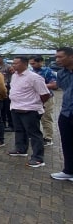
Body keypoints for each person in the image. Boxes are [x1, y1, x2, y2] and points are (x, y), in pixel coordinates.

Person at [8, 56, 50, 168]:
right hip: (15, 108)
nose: (13, 65)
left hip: (30, 110)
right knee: (19, 130)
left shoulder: (34, 77)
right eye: (13, 63)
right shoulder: (14, 76)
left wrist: (35, 104)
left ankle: (38, 158)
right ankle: (21, 149)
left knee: (34, 134)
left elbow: (45, 94)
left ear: (24, 64)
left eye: (16, 63)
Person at [50, 47, 73, 180]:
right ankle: (68, 170)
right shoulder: (62, 73)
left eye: (60, 57)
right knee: (67, 142)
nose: (57, 60)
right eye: (56, 57)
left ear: (71, 57)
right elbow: (63, 89)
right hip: (66, 113)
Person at [28, 55, 57, 146]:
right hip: (35, 98)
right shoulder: (31, 72)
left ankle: (48, 137)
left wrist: (40, 85)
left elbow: (54, 85)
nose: (32, 65)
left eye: (34, 63)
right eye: (31, 64)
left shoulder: (47, 71)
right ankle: (35, 135)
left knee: (46, 117)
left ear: (40, 62)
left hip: (47, 98)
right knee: (34, 117)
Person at [0, 55, 14, 131]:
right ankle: (2, 124)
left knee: (7, 107)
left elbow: (13, 74)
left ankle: (11, 125)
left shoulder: (8, 66)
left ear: (2, 58)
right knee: (1, 107)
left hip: (7, 86)